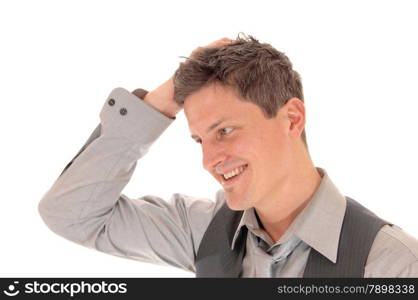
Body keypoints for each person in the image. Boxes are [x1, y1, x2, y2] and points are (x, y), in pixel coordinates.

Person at [38, 34, 418, 277]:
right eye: (200, 140)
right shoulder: (202, 231)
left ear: (292, 118)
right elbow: (71, 215)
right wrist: (160, 103)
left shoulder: (393, 265)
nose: (210, 160)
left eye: (224, 130)